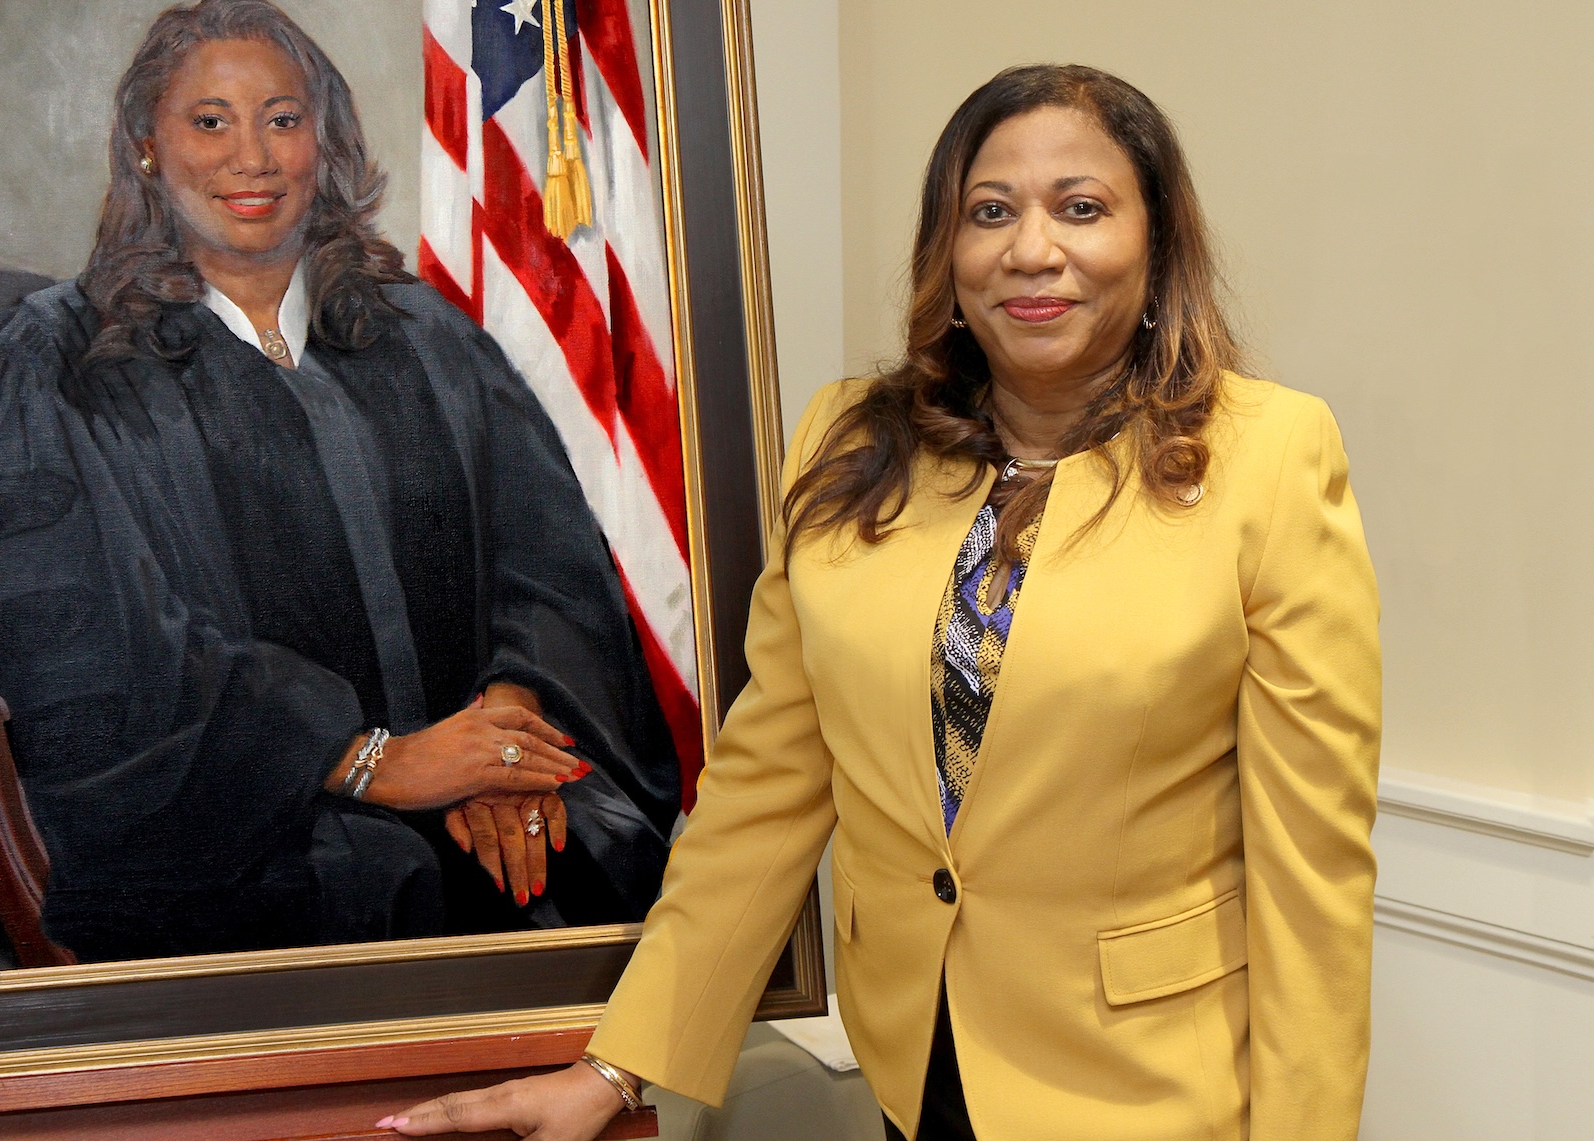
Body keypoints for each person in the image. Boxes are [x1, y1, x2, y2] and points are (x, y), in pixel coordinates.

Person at [381, 65, 1381, 1140]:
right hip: (917, 1066)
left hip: (1150, 1091)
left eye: (1080, 208)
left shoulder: (1269, 458)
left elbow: (1309, 876)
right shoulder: (850, 441)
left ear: (1155, 242)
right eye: (987, 211)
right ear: (946, 256)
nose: (1030, 248)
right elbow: (768, 785)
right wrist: (620, 1068)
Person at [0, 0, 682, 964]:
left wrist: (504, 737)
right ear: (146, 145)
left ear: (323, 143)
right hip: (226, 827)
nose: (252, 156)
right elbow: (75, 650)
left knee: (603, 854)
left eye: (282, 120)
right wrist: (365, 761)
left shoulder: (422, 338)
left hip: (471, 789)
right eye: (210, 122)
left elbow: (549, 566)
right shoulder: (61, 362)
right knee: (368, 885)